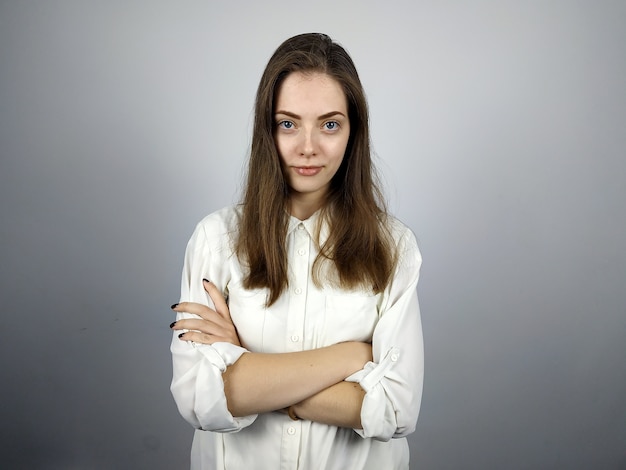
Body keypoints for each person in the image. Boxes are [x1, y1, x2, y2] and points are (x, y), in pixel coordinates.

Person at [169, 32, 423, 470]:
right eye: (288, 123)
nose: (308, 147)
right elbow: (197, 397)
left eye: (329, 124)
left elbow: (398, 410)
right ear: (266, 129)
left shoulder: (392, 247)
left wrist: (249, 373)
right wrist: (351, 357)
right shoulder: (216, 239)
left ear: (353, 131)